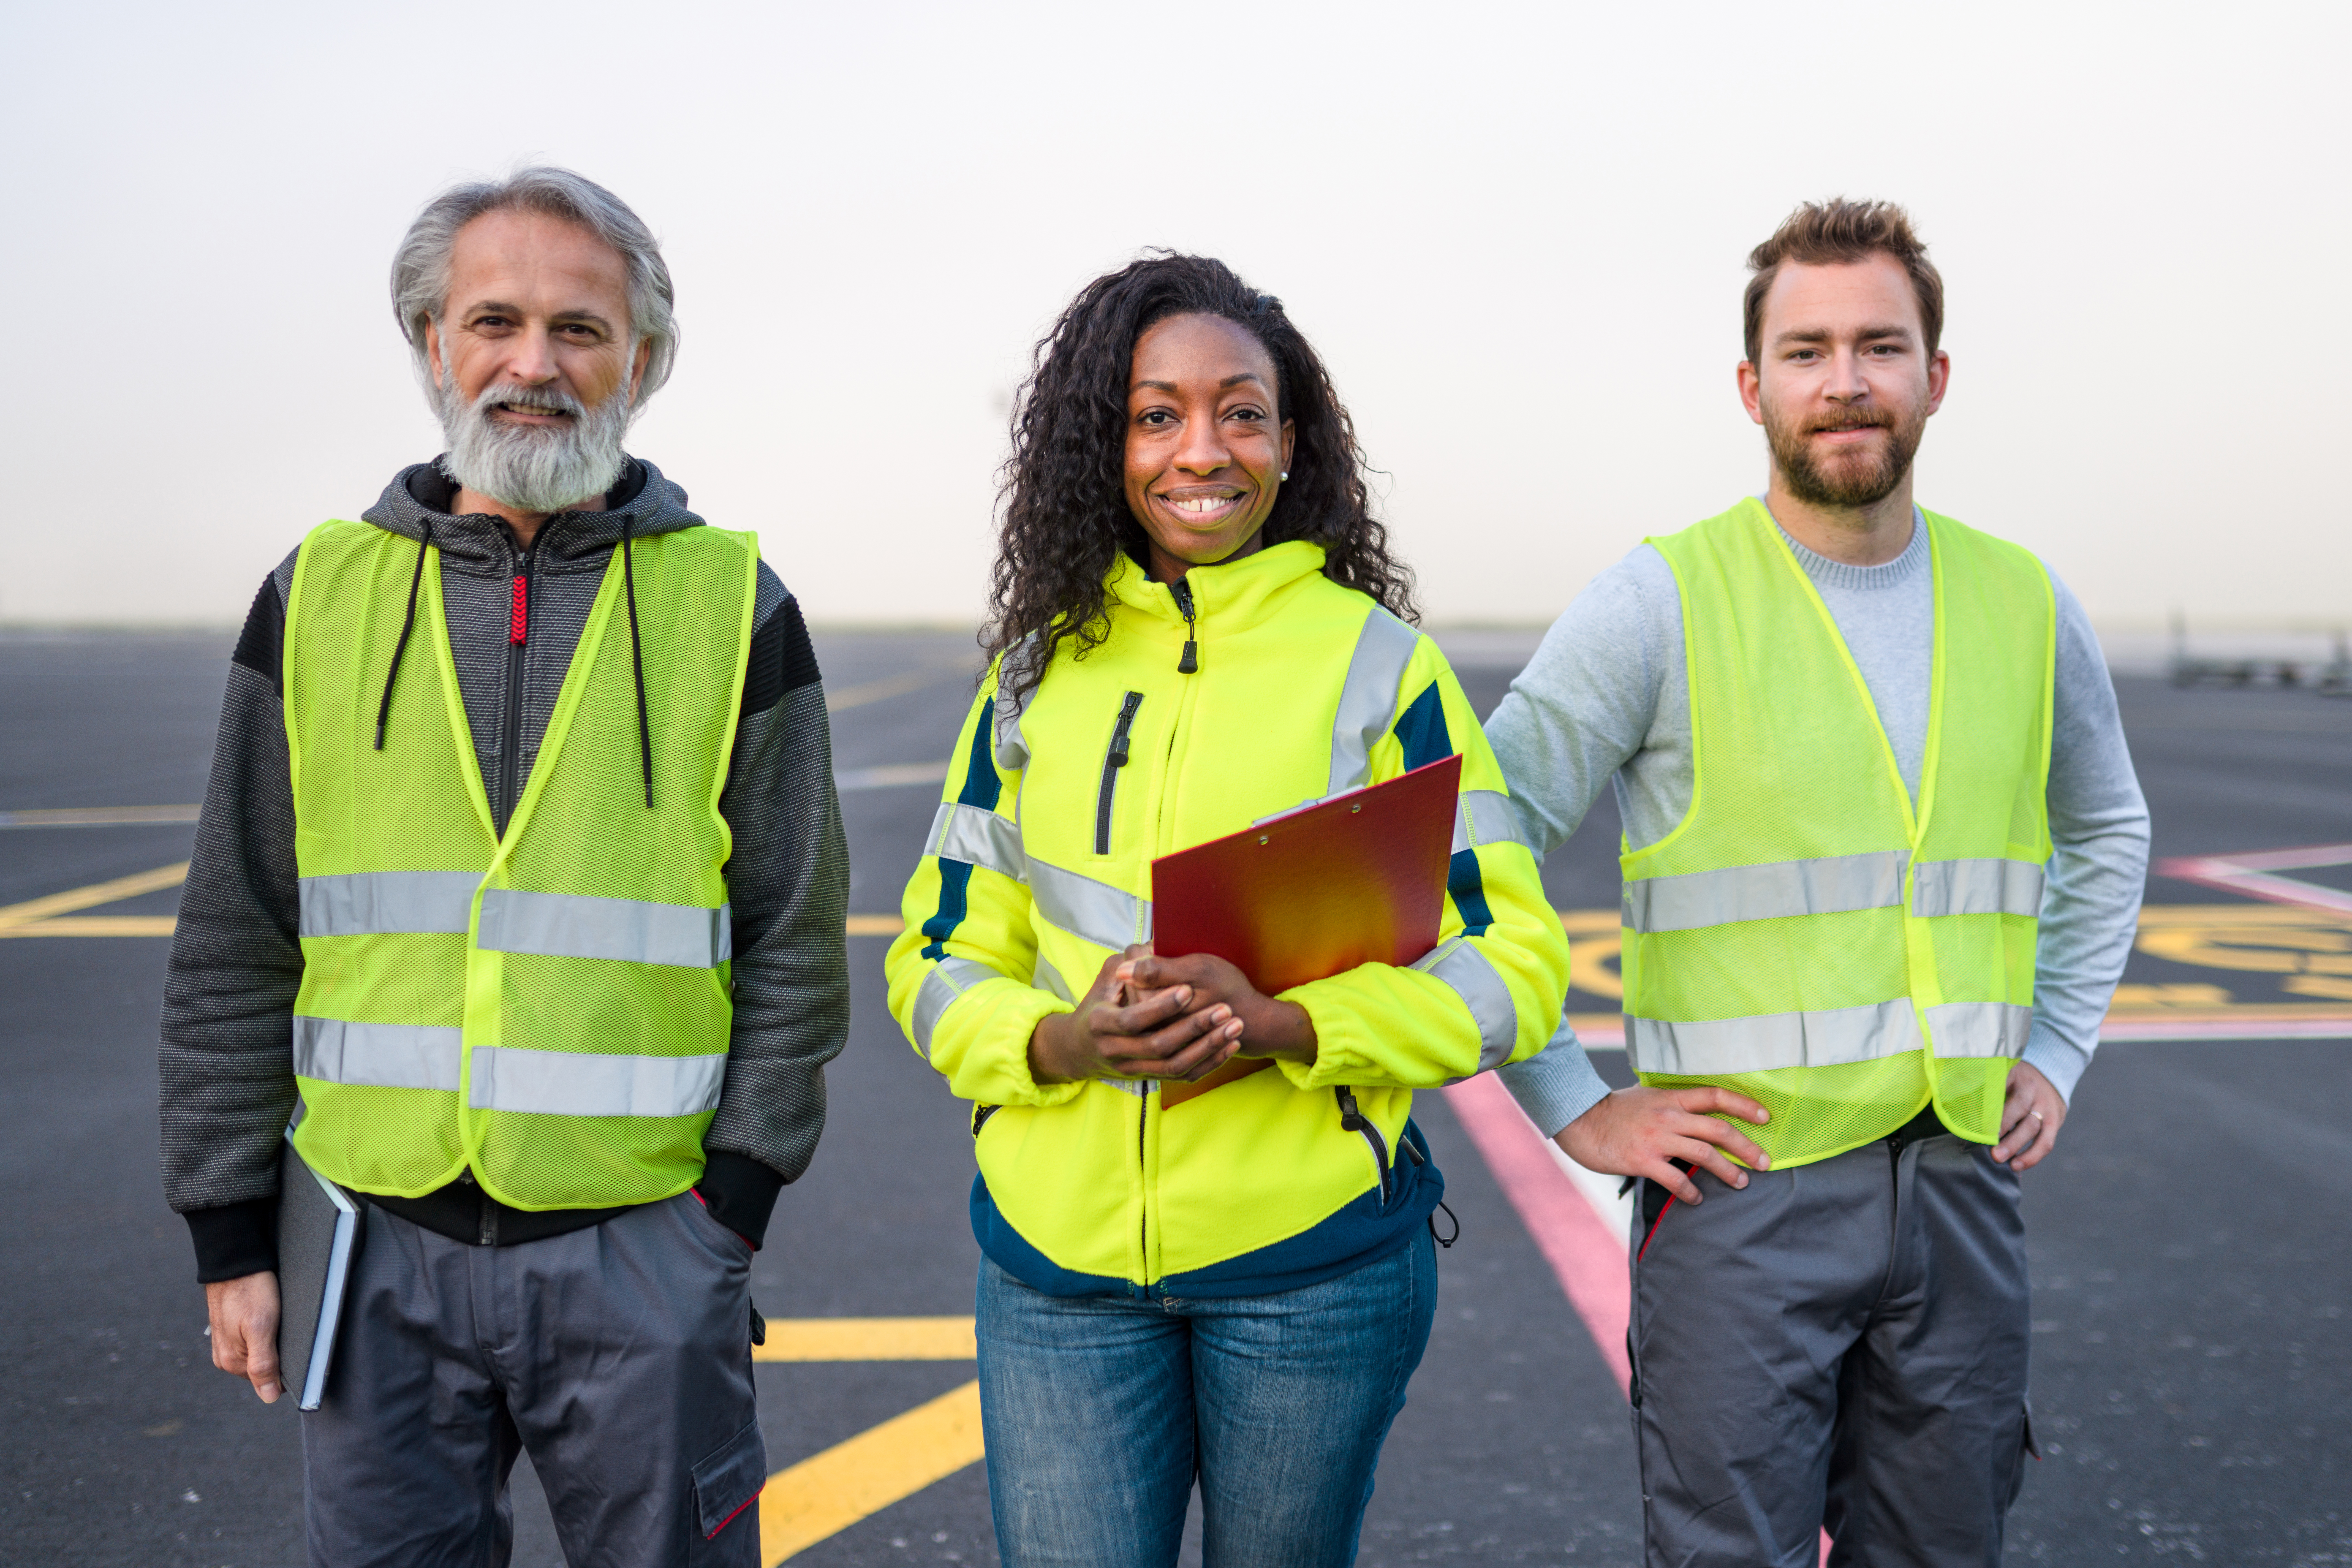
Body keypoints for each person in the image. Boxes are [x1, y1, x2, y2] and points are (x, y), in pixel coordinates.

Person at [157, 167, 849, 1563]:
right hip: (371, 1255)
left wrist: (730, 1214)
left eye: (581, 330)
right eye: (495, 321)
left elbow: (794, 933)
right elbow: (237, 930)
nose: (535, 364)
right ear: (432, 344)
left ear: (642, 360)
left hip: (646, 1252)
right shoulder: (319, 595)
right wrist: (231, 1231)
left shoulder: (734, 605)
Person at [1486, 199, 2149, 1566]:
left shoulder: (2024, 600)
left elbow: (2110, 826)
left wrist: (2062, 1043)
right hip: (1743, 1191)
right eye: (1805, 351)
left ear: (1935, 378)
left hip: (1963, 1184)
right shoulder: (1661, 599)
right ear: (1753, 387)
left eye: (1879, 345)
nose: (1844, 380)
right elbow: (1470, 839)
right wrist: (1570, 1102)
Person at [883, 254, 1571, 1567]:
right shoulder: (1035, 680)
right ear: (1109, 441)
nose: (1202, 448)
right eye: (1157, 414)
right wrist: (1056, 1041)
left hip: (1313, 1272)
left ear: (1290, 441)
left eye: (1241, 410)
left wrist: (1300, 1028)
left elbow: (1515, 961)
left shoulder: (1384, 666)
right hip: (1060, 1274)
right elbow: (931, 956)